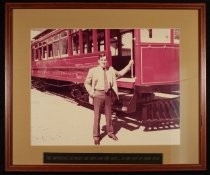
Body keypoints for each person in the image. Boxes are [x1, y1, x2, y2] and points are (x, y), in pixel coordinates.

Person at [84, 54, 134, 145]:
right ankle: (96, 137)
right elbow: (86, 83)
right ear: (98, 61)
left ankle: (110, 133)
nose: (104, 62)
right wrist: (92, 93)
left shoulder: (110, 69)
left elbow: (120, 73)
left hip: (108, 95)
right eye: (102, 60)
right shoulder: (93, 71)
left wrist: (129, 65)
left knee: (109, 115)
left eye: (105, 60)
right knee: (97, 117)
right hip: (97, 94)